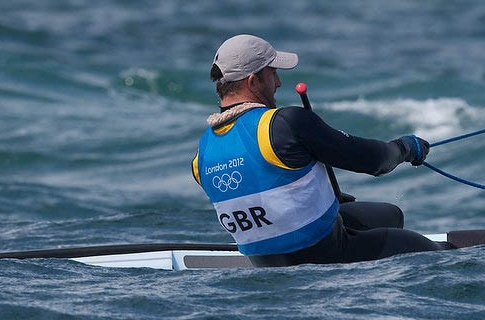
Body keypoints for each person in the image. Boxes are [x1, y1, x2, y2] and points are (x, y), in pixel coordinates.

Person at [191, 34, 447, 267]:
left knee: (390, 214)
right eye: (273, 73)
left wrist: (317, 191)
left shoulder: (201, 155)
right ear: (253, 80)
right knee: (434, 254)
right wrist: (404, 148)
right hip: (328, 254)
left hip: (266, 263)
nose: (279, 82)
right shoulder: (284, 124)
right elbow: (375, 161)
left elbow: (264, 193)